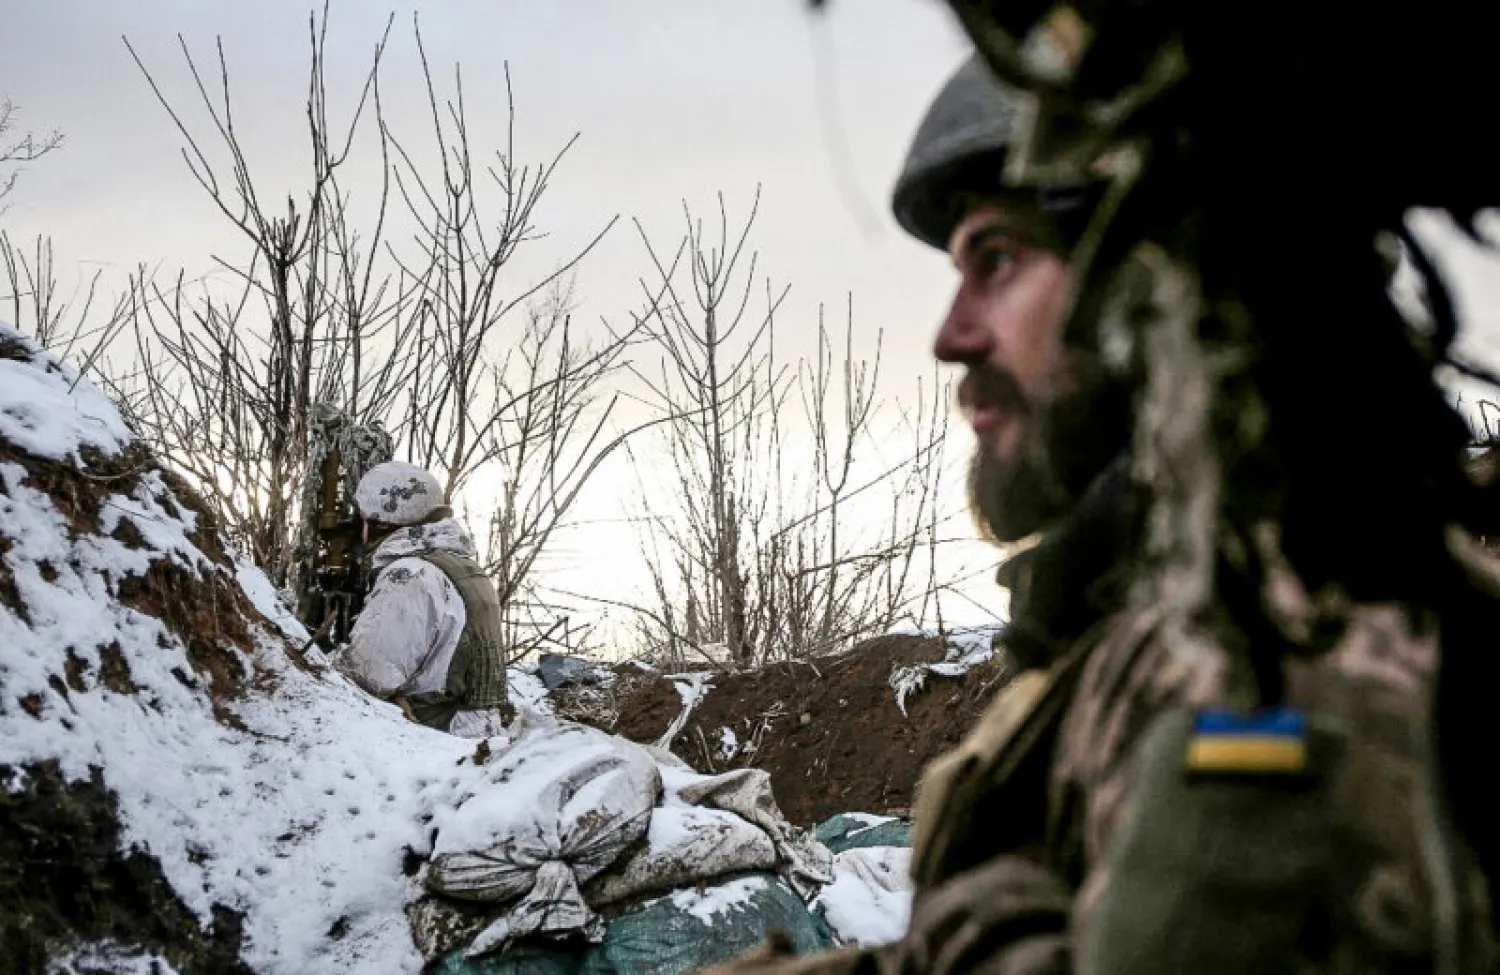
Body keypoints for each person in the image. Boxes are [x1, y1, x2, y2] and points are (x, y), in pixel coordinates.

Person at [707, 7, 1500, 969]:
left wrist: (982, 910)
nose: (951, 336)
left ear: (1155, 286)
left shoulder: (1289, 644)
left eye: (998, 260)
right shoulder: (1138, 622)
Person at [334, 461, 511, 739]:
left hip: (435, 738)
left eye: (362, 518)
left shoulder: (410, 576)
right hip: (475, 731)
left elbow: (367, 674)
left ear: (377, 523)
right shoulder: (458, 565)